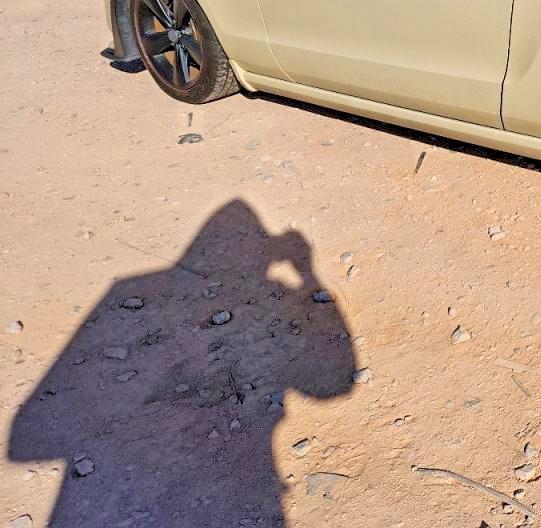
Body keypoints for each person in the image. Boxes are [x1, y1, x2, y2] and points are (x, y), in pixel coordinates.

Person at [9, 200, 355, 527]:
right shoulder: (135, 286)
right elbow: (335, 386)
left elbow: (26, 440)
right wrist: (308, 275)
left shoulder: (130, 287)